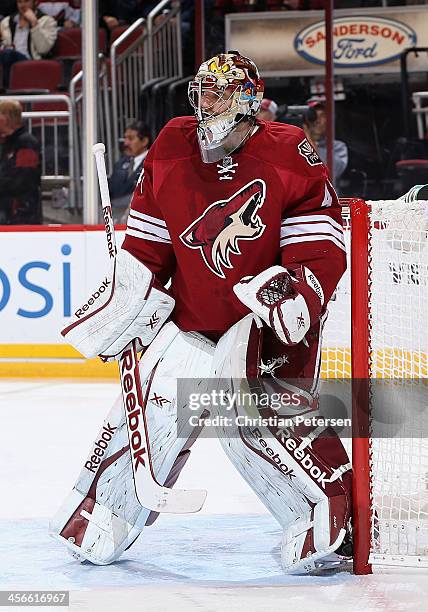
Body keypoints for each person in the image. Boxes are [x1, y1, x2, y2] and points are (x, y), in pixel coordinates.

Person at [59, 51, 352, 574]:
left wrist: (299, 292)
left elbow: (319, 242)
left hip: (261, 328)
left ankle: (328, 512)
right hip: (191, 321)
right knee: (152, 404)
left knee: (253, 424)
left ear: (246, 101)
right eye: (202, 91)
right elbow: (149, 245)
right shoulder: (172, 144)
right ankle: (103, 509)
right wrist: (126, 299)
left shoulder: (290, 151)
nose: (205, 102)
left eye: (218, 92)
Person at [0, 99, 41, 224]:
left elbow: (23, 180)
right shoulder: (6, 144)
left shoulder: (26, 143)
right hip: (7, 214)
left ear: (6, 117)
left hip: (21, 216)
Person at [0, 0, 57, 88]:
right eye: (19, 2)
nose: (22, 5)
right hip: (8, 60)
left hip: (33, 62)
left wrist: (34, 23)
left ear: (35, 2)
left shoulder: (47, 21)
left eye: (26, 1)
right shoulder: (7, 22)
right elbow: (4, 44)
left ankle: (7, 92)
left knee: (8, 54)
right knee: (7, 54)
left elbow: (43, 49)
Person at [108, 120, 151, 222]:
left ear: (144, 141)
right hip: (117, 220)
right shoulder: (119, 165)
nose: (126, 142)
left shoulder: (152, 166)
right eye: (125, 138)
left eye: (131, 138)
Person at [303, 100, 348, 184]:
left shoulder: (338, 147)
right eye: (313, 116)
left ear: (329, 120)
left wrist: (308, 139)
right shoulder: (294, 145)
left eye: (322, 116)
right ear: (305, 120)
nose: (317, 120)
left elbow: (332, 172)